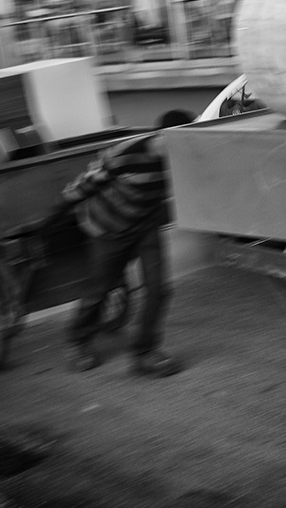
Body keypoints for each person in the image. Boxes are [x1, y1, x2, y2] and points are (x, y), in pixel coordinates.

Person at [53, 108, 195, 378]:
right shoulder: (125, 153)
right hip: (108, 227)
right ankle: (78, 342)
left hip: (145, 226)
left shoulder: (182, 156)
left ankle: (144, 353)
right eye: (175, 142)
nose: (179, 150)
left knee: (160, 289)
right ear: (160, 136)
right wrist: (58, 210)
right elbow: (85, 184)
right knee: (100, 289)